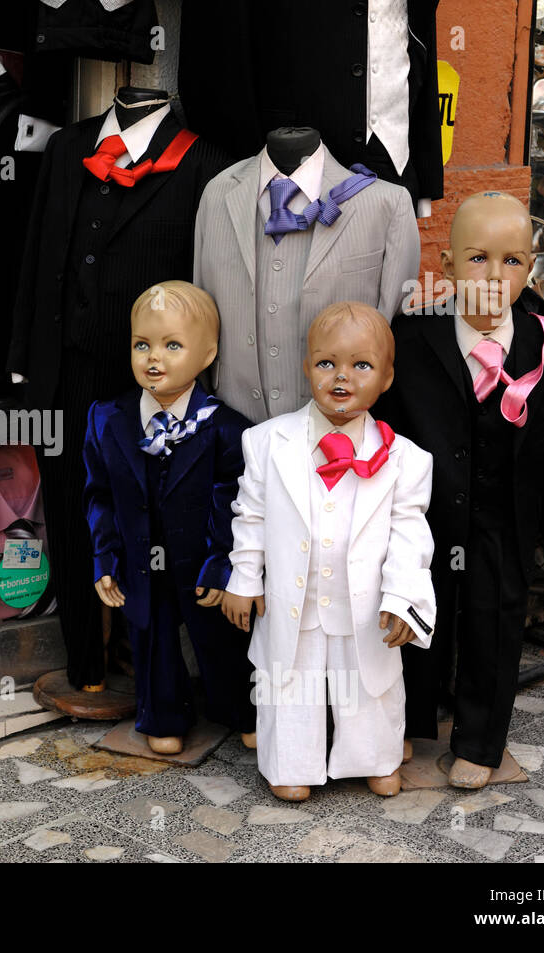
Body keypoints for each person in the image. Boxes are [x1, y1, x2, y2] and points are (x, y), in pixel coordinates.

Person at [375, 191, 544, 789]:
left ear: (530, 268)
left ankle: (479, 740)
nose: (494, 276)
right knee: (417, 613)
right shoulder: (414, 335)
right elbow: (391, 421)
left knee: (494, 621)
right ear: (447, 266)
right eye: (477, 258)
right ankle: (403, 723)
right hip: (426, 516)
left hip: (508, 512)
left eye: (512, 261)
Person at [223, 302, 435, 802]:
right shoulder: (266, 443)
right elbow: (249, 514)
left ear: (386, 378)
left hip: (362, 608)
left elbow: (411, 533)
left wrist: (404, 596)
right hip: (292, 603)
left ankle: (377, 756)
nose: (342, 377)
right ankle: (289, 761)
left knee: (371, 686)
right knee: (287, 683)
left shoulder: (406, 459)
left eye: (361, 365)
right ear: (306, 367)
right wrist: (244, 578)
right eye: (326, 363)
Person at [82, 281, 253, 755]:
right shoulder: (106, 417)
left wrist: (221, 563)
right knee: (150, 639)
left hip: (199, 561)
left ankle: (244, 711)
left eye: (172, 345)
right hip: (139, 559)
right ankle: (162, 713)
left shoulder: (227, 428)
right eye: (142, 344)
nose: (153, 358)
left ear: (207, 354)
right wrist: (105, 558)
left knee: (220, 641)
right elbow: (99, 495)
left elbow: (234, 502)